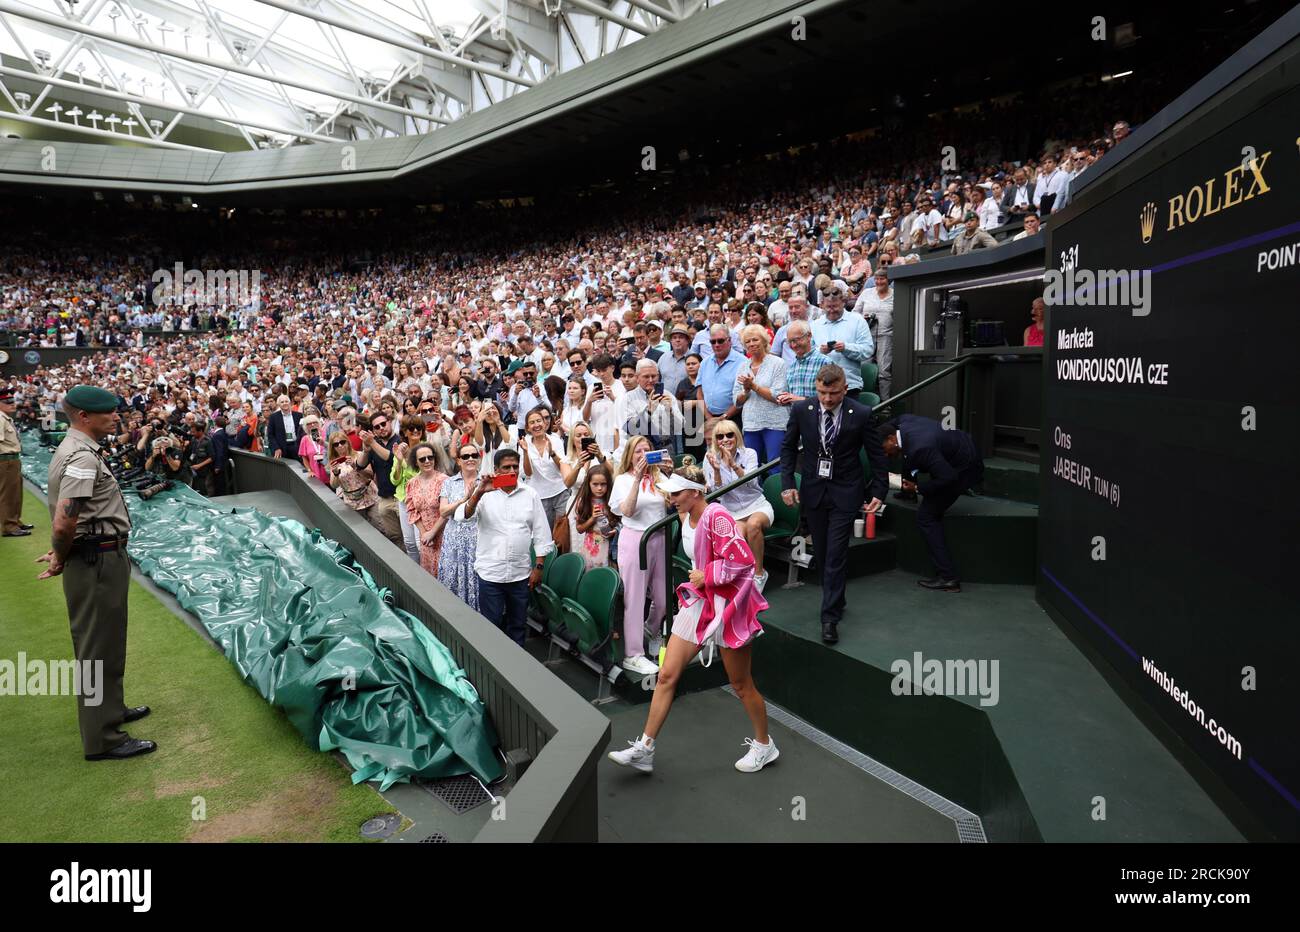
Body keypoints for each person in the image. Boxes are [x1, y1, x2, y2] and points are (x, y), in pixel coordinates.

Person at [607, 459, 773, 776]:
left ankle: (765, 745)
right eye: (671, 493)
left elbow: (744, 561)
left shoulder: (718, 517)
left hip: (729, 605)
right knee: (667, 675)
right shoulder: (685, 515)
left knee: (741, 684)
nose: (671, 499)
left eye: (677, 493)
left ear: (695, 494)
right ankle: (645, 747)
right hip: (701, 601)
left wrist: (706, 575)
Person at [38, 384, 155, 760]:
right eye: (108, 412)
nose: (116, 416)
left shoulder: (78, 449)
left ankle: (111, 711)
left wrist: (63, 551)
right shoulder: (82, 457)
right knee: (96, 650)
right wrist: (60, 556)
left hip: (97, 557)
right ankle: (103, 739)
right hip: (95, 560)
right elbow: (63, 522)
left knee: (108, 642)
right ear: (84, 417)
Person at [779, 364, 887, 644]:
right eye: (823, 392)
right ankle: (836, 598)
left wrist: (880, 488)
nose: (828, 399)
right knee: (825, 553)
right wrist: (788, 482)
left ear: (845, 389)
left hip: (846, 491)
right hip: (814, 490)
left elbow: (877, 455)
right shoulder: (802, 410)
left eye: (834, 393)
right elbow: (788, 447)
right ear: (816, 388)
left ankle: (829, 618)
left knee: (837, 553)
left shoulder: (861, 413)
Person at [459, 448, 553, 647]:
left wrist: (539, 568)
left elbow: (542, 533)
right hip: (491, 574)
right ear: (496, 470)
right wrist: (479, 492)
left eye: (515, 467)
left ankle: (517, 671)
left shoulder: (530, 494)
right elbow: (464, 516)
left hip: (520, 575)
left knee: (518, 626)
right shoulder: (484, 493)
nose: (511, 471)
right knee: (491, 626)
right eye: (506, 467)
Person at [881, 415, 984, 592]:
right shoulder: (904, 423)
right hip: (952, 450)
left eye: (883, 449)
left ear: (891, 438)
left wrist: (919, 488)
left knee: (926, 517)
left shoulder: (919, 449)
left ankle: (948, 578)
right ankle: (908, 494)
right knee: (905, 456)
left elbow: (948, 478)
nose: (884, 454)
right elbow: (896, 420)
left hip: (963, 468)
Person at [610, 436, 672, 675]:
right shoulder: (623, 480)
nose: (643, 454)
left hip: (660, 539)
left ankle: (649, 631)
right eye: (638, 451)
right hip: (636, 538)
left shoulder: (659, 478)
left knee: (664, 598)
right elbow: (626, 510)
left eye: (647, 450)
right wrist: (637, 478)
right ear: (630, 455)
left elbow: (674, 502)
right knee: (635, 600)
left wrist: (671, 473)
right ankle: (633, 654)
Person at [704, 418, 774, 591]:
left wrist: (734, 465)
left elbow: (751, 483)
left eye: (730, 435)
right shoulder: (710, 458)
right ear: (715, 440)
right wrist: (717, 470)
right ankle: (742, 577)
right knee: (736, 537)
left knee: (753, 525)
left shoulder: (749, 453)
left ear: (737, 437)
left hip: (757, 505)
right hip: (733, 511)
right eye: (720, 437)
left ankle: (759, 574)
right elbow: (717, 493)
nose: (725, 440)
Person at [733, 325, 788, 467]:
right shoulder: (743, 366)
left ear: (764, 341)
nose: (751, 344)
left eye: (755, 340)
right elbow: (736, 401)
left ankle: (777, 490)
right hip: (751, 424)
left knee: (775, 465)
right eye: (748, 341)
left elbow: (778, 396)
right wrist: (746, 391)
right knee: (750, 468)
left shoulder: (778, 363)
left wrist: (754, 387)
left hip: (774, 423)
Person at [437, 441, 483, 610]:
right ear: (458, 461)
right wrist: (464, 499)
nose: (470, 459)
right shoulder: (449, 483)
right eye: (465, 456)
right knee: (453, 577)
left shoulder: (485, 482)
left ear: (479, 458)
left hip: (479, 539)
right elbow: (443, 512)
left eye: (474, 455)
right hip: (454, 540)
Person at [810, 287, 873, 399]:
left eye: (835, 306)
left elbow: (868, 350)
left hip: (849, 386)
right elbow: (808, 353)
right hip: (822, 388)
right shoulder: (815, 325)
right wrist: (820, 351)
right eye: (828, 307)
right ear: (822, 305)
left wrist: (846, 348)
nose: (832, 310)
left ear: (843, 302)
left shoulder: (857, 321)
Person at [403, 440, 452, 577]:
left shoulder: (445, 480)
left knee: (445, 574)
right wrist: (425, 534)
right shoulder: (412, 483)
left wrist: (433, 532)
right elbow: (412, 511)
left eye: (430, 457)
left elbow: (448, 511)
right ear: (416, 462)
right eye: (422, 459)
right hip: (426, 540)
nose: (427, 461)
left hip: (444, 534)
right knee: (430, 575)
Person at [519, 407, 570, 530]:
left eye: (539, 421)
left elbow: (562, 467)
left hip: (560, 492)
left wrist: (552, 453)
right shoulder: (525, 443)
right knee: (545, 532)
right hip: (539, 496)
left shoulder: (555, 440)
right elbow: (528, 473)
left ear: (545, 423)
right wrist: (525, 452)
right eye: (532, 422)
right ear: (527, 427)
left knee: (561, 532)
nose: (536, 425)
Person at [390, 415, 429, 562]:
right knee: (410, 543)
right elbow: (395, 480)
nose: (415, 431)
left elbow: (422, 476)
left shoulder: (426, 449)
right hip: (404, 500)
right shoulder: (400, 449)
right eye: (411, 428)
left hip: (422, 500)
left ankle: (428, 576)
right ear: (405, 432)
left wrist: (407, 458)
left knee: (421, 544)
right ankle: (416, 577)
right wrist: (399, 461)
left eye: (419, 428)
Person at [854, 267, 895, 399]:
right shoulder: (867, 293)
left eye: (882, 278)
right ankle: (863, 398)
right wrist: (863, 318)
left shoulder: (895, 294)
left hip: (886, 335)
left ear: (888, 280)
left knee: (884, 371)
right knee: (865, 367)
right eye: (876, 279)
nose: (878, 282)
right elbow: (855, 312)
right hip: (866, 334)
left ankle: (885, 401)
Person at [0, 387, 34, 536]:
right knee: (8, 494)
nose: (12, 404)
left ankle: (15, 522)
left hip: (12, 460)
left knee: (15, 493)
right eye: (7, 402)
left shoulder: (5, 418)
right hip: (5, 461)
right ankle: (9, 526)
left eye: (12, 401)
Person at [570, 464, 617, 570]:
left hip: (609, 546)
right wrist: (592, 518)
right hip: (591, 547)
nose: (599, 488)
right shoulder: (583, 502)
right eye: (595, 484)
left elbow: (619, 521)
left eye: (603, 484)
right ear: (588, 484)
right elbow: (580, 529)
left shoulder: (612, 500)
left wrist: (615, 529)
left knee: (608, 575)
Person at [266, 394, 303, 460]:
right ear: (279, 404)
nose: (284, 403)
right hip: (281, 448)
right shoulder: (273, 417)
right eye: (282, 402)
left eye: (286, 401)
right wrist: (276, 448)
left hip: (296, 447)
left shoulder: (299, 415)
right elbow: (270, 435)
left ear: (290, 403)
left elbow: (302, 433)